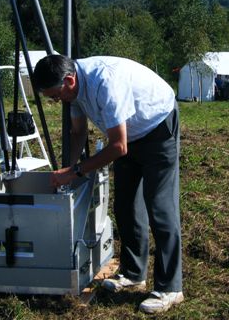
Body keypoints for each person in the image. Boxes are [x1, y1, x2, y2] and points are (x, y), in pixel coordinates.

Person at [33, 55, 183, 314]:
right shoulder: (74, 88)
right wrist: (66, 171)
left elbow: (118, 146)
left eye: (56, 95)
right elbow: (78, 132)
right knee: (125, 206)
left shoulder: (105, 82)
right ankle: (134, 273)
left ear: (69, 80)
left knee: (159, 207)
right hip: (128, 134)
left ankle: (170, 288)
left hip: (157, 127)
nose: (57, 101)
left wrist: (76, 171)